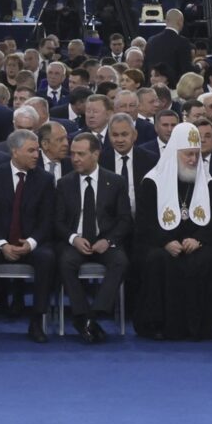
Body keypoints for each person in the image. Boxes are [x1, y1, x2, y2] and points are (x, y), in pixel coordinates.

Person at [134, 122, 212, 340]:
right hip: (161, 243)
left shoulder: (207, 182)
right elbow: (144, 221)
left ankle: (199, 327)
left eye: (196, 154)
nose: (193, 160)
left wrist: (198, 239)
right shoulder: (153, 182)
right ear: (174, 153)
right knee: (158, 260)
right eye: (188, 154)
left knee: (206, 260)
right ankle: (159, 325)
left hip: (196, 243)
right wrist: (165, 241)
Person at [0, 129, 56, 340]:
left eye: (37, 150)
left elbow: (47, 219)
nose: (37, 155)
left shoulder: (45, 179)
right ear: (15, 152)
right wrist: (2, 244)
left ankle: (37, 321)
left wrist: (31, 243)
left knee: (47, 258)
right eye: (31, 151)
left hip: (31, 242)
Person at [56, 131, 129, 342]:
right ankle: (82, 315)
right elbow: (57, 222)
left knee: (120, 261)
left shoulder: (115, 182)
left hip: (104, 241)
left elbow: (125, 220)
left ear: (96, 154)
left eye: (81, 154)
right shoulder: (64, 183)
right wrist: (73, 238)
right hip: (76, 242)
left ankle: (93, 315)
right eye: (72, 154)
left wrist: (108, 241)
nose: (75, 159)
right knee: (65, 262)